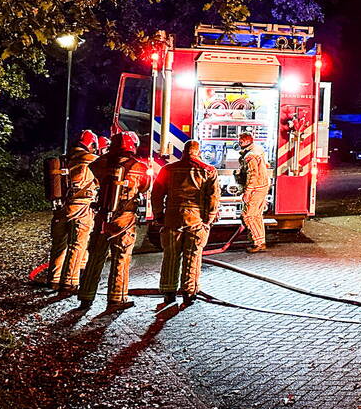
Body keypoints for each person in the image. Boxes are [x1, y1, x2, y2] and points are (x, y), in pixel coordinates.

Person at [76, 131, 149, 311]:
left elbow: (93, 168)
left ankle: (86, 296)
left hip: (102, 217)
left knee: (95, 256)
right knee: (121, 258)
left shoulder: (100, 164)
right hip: (124, 219)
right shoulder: (139, 167)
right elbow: (145, 186)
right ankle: (117, 299)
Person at [151, 140, 220, 306]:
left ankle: (168, 292)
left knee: (170, 255)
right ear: (199, 152)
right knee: (192, 256)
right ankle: (189, 293)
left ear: (183, 151)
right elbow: (213, 197)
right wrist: (209, 219)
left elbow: (157, 193)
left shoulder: (168, 169)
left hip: (172, 218)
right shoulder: (209, 170)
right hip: (196, 220)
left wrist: (159, 214)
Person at [43, 130, 98, 291]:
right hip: (81, 208)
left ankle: (53, 279)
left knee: (59, 245)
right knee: (77, 244)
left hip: (60, 208)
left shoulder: (63, 160)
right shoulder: (92, 160)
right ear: (91, 145)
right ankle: (70, 281)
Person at [235, 132, 270, 253]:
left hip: (256, 188)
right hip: (262, 186)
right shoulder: (257, 149)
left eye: (240, 140)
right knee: (256, 215)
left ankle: (258, 243)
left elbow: (253, 175)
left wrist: (247, 192)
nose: (239, 143)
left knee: (248, 215)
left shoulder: (250, 156)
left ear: (246, 141)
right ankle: (259, 240)